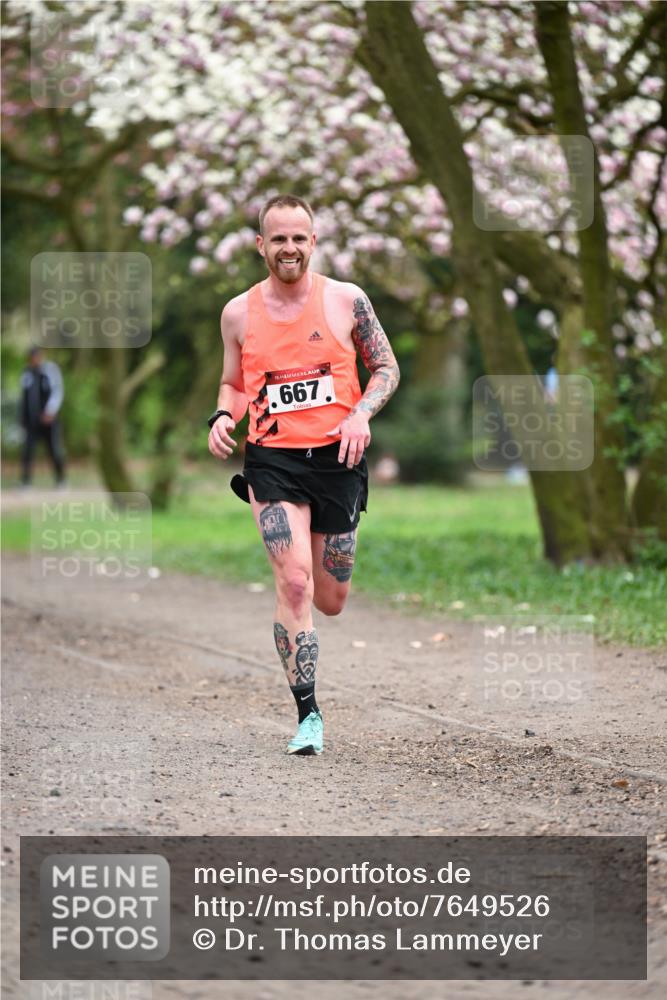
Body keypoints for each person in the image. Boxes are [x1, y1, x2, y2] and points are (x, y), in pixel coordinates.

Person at [208, 194, 400, 756]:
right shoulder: (238, 313)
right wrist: (224, 414)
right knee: (294, 583)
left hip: (338, 460)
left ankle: (311, 685)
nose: (289, 248)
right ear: (261, 245)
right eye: (278, 238)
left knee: (331, 596)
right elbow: (234, 384)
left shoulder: (347, 301)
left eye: (299, 238)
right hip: (272, 461)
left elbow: (385, 366)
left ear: (312, 243)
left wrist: (360, 412)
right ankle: (308, 716)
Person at [19, 346, 66, 487]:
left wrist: (50, 411)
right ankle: (26, 482)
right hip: (31, 422)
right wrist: (22, 419)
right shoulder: (27, 373)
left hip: (48, 420)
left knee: (54, 450)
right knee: (28, 451)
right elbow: (24, 398)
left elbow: (58, 391)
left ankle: (61, 480)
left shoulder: (50, 371)